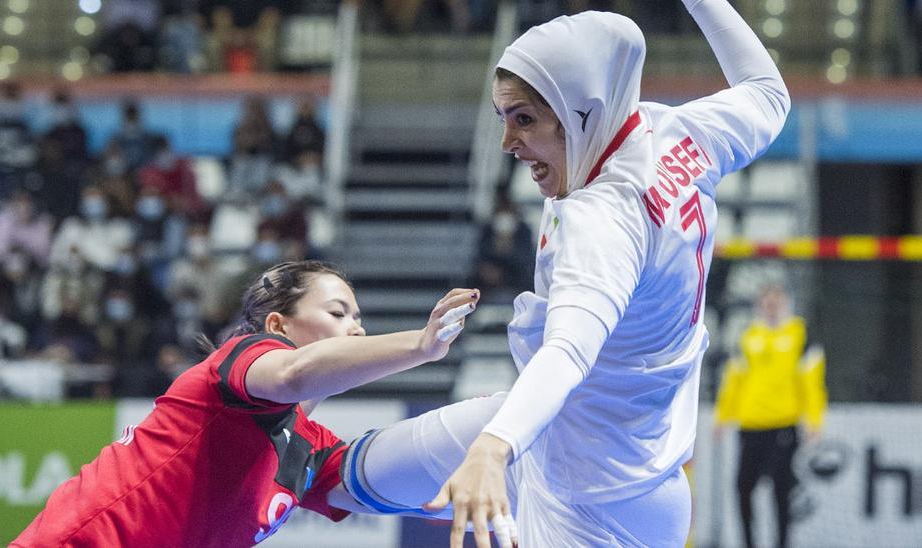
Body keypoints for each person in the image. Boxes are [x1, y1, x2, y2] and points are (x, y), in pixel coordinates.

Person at [335, 2, 790, 546]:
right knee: (343, 475)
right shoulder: (676, 132)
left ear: (581, 111)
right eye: (503, 119)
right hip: (577, 442)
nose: (508, 144)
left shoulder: (604, 219)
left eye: (524, 119)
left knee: (359, 477)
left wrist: (493, 446)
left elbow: (568, 351)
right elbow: (768, 92)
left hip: (589, 500)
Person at [11, 260, 478, 546]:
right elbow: (293, 375)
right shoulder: (238, 363)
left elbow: (382, 491)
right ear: (277, 326)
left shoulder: (310, 450)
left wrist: (483, 492)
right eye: (338, 314)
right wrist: (420, 345)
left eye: (358, 319)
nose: (357, 331)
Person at [715, 284, 826, 548]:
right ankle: (749, 543)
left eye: (777, 302)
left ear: (787, 303)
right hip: (751, 425)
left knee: (781, 492)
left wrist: (814, 420)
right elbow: (734, 380)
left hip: (783, 425)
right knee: (742, 489)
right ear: (759, 306)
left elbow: (812, 382)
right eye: (767, 302)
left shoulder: (801, 334)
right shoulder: (748, 337)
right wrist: (722, 417)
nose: (772, 307)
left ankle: (782, 543)